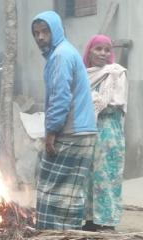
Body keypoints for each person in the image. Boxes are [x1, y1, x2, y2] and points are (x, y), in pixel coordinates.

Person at [31, 11, 97, 230]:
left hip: (72, 132)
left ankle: (53, 234)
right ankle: (68, 233)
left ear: (57, 30)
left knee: (50, 190)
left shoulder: (61, 55)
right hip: (82, 132)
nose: (40, 37)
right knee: (69, 193)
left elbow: (60, 97)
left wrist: (51, 132)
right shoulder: (62, 53)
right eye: (36, 33)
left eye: (45, 31)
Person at [82, 35, 128, 231]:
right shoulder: (84, 74)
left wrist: (91, 100)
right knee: (88, 177)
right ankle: (91, 219)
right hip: (88, 131)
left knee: (107, 177)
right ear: (89, 52)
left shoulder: (117, 73)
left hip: (109, 132)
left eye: (106, 50)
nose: (102, 53)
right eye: (98, 49)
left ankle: (108, 222)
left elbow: (115, 104)